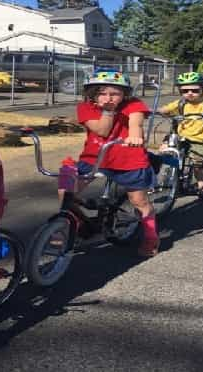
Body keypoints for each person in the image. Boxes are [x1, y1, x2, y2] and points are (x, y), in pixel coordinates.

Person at [74, 69, 160, 257]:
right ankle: (74, 224)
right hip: (94, 157)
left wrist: (135, 137)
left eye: (115, 93)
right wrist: (107, 111)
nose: (108, 98)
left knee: (139, 201)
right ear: (92, 94)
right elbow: (102, 130)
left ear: (124, 94)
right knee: (66, 188)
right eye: (102, 93)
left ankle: (151, 236)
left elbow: (135, 124)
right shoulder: (85, 107)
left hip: (128, 158)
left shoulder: (133, 105)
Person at [157, 72, 203, 201]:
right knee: (162, 153)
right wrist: (159, 111)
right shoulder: (181, 103)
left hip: (200, 139)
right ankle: (157, 181)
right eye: (185, 90)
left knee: (198, 164)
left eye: (195, 90)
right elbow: (165, 109)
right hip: (180, 134)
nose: (189, 93)